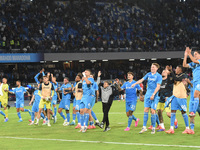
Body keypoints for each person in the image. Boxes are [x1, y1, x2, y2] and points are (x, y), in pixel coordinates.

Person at [132, 63, 162, 134]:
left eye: (153, 67)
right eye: (151, 67)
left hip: (155, 95)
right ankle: (144, 127)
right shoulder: (148, 74)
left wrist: (153, 94)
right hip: (148, 95)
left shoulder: (158, 76)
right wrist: (135, 83)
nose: (152, 68)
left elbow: (158, 86)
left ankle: (153, 128)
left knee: (153, 111)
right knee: (145, 109)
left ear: (156, 68)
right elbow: (141, 80)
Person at [165, 65, 190, 134]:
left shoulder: (183, 75)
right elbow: (170, 82)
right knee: (173, 111)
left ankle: (187, 128)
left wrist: (171, 71)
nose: (175, 69)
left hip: (181, 96)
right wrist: (168, 74)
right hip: (175, 96)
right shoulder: (175, 76)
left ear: (180, 69)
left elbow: (177, 78)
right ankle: (171, 128)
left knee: (183, 112)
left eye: (176, 68)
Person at [183, 47, 200, 134]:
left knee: (196, 94)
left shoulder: (199, 62)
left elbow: (195, 61)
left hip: (199, 83)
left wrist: (189, 53)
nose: (194, 56)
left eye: (196, 54)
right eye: (194, 55)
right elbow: (184, 65)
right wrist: (186, 55)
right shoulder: (194, 64)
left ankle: (193, 111)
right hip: (194, 85)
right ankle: (192, 130)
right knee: (192, 110)